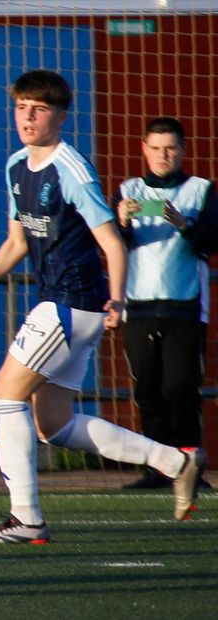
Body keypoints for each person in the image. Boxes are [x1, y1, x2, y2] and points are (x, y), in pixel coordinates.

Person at [0, 72, 205, 545]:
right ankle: (177, 461)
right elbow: (16, 241)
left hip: (72, 301)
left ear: (61, 116)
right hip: (65, 303)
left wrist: (117, 298)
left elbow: (112, 241)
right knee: (54, 425)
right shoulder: (15, 167)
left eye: (39, 109)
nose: (27, 116)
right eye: (21, 106)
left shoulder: (71, 168)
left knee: (3, 399)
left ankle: (26, 518)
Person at [113, 117, 217, 490]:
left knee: (181, 388)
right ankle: (157, 467)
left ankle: (190, 466)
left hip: (184, 307)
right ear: (144, 149)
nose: (163, 155)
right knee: (147, 391)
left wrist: (183, 224)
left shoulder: (201, 190)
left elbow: (211, 243)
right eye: (155, 148)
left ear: (183, 150)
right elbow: (113, 246)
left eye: (170, 148)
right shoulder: (128, 189)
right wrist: (122, 222)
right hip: (138, 306)